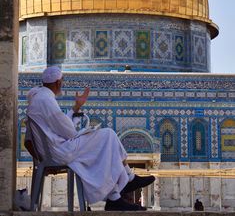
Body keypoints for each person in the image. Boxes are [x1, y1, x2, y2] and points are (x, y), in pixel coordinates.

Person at [26, 66, 155, 211]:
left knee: (106, 142)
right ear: (58, 83)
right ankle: (127, 180)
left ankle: (117, 194)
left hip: (55, 151)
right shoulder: (46, 100)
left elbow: (30, 140)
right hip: (61, 151)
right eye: (62, 81)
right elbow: (69, 132)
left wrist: (76, 106)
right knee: (108, 135)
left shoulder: (37, 99)